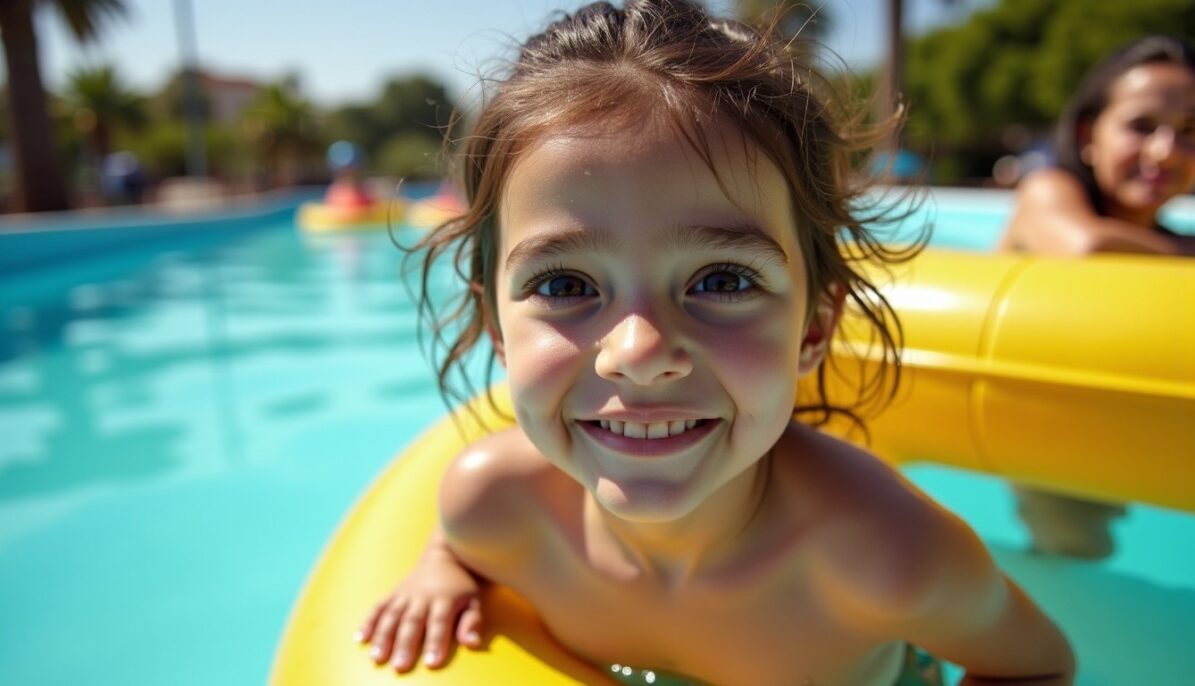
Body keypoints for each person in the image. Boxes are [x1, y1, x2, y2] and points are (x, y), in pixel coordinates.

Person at [358, 2, 1076, 684]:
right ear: (496, 331)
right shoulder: (491, 505)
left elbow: (1038, 666)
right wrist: (440, 567)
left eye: (724, 279)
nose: (638, 351)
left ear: (815, 326)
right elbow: (458, 535)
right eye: (567, 286)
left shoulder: (888, 557)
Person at [997, 36, 1195, 559]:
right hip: (1035, 424)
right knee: (1075, 543)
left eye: (1190, 132)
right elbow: (1084, 249)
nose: (1165, 150)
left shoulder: (1164, 240)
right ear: (1089, 134)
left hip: (1110, 421)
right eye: (1141, 126)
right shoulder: (1050, 191)